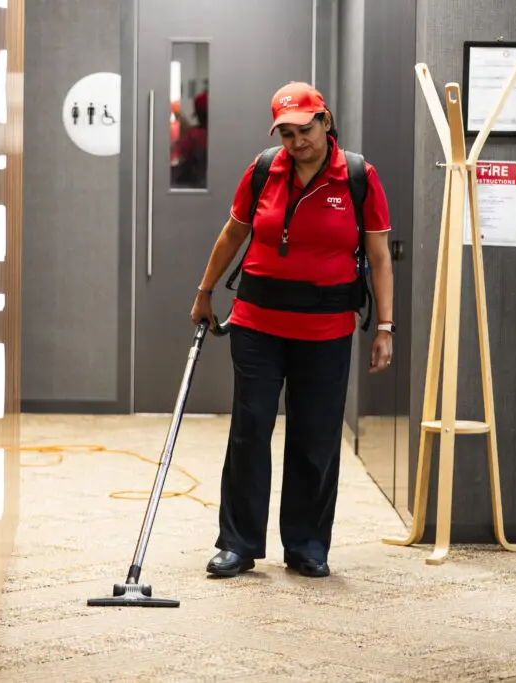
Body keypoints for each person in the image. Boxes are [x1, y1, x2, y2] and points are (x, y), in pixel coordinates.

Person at [190, 81, 394, 579]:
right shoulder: (264, 170)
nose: (297, 141)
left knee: (316, 435)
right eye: (287, 133)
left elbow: (379, 256)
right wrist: (204, 290)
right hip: (257, 323)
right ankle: (238, 544)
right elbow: (233, 232)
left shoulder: (358, 176)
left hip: (326, 329)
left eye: (305, 129)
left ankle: (306, 545)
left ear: (326, 121)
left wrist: (385, 326)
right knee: (250, 428)